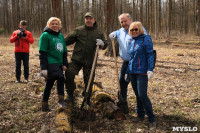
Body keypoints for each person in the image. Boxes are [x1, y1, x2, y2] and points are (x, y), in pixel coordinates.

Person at [64, 12, 107, 106]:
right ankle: (70, 94)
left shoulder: (99, 33)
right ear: (85, 20)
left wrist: (102, 44)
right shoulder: (79, 30)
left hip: (90, 60)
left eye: (90, 18)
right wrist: (57, 42)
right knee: (69, 72)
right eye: (86, 18)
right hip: (77, 59)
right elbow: (66, 41)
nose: (88, 20)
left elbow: (105, 45)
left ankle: (86, 98)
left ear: (94, 20)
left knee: (89, 80)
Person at [109, 13, 147, 114]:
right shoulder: (121, 31)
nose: (123, 23)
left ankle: (140, 111)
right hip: (126, 63)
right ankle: (122, 105)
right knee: (121, 84)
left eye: (125, 21)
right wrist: (113, 34)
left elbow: (145, 44)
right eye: (121, 22)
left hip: (137, 64)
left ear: (130, 20)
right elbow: (116, 32)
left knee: (138, 89)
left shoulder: (137, 29)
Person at [127, 21, 156, 130]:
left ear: (140, 29)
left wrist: (150, 69)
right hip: (133, 72)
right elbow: (131, 58)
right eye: (132, 30)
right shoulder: (132, 41)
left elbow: (150, 54)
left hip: (142, 72)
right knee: (137, 95)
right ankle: (140, 114)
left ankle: (152, 119)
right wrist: (127, 72)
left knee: (143, 95)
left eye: (136, 29)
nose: (134, 31)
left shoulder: (146, 39)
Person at [39, 17, 68, 112]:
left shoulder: (60, 36)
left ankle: (44, 105)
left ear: (59, 25)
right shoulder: (45, 35)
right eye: (52, 23)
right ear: (48, 25)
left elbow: (64, 52)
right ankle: (61, 101)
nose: (55, 25)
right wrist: (43, 68)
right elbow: (42, 53)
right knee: (60, 78)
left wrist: (65, 64)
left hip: (59, 63)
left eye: (56, 24)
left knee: (50, 83)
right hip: (50, 62)